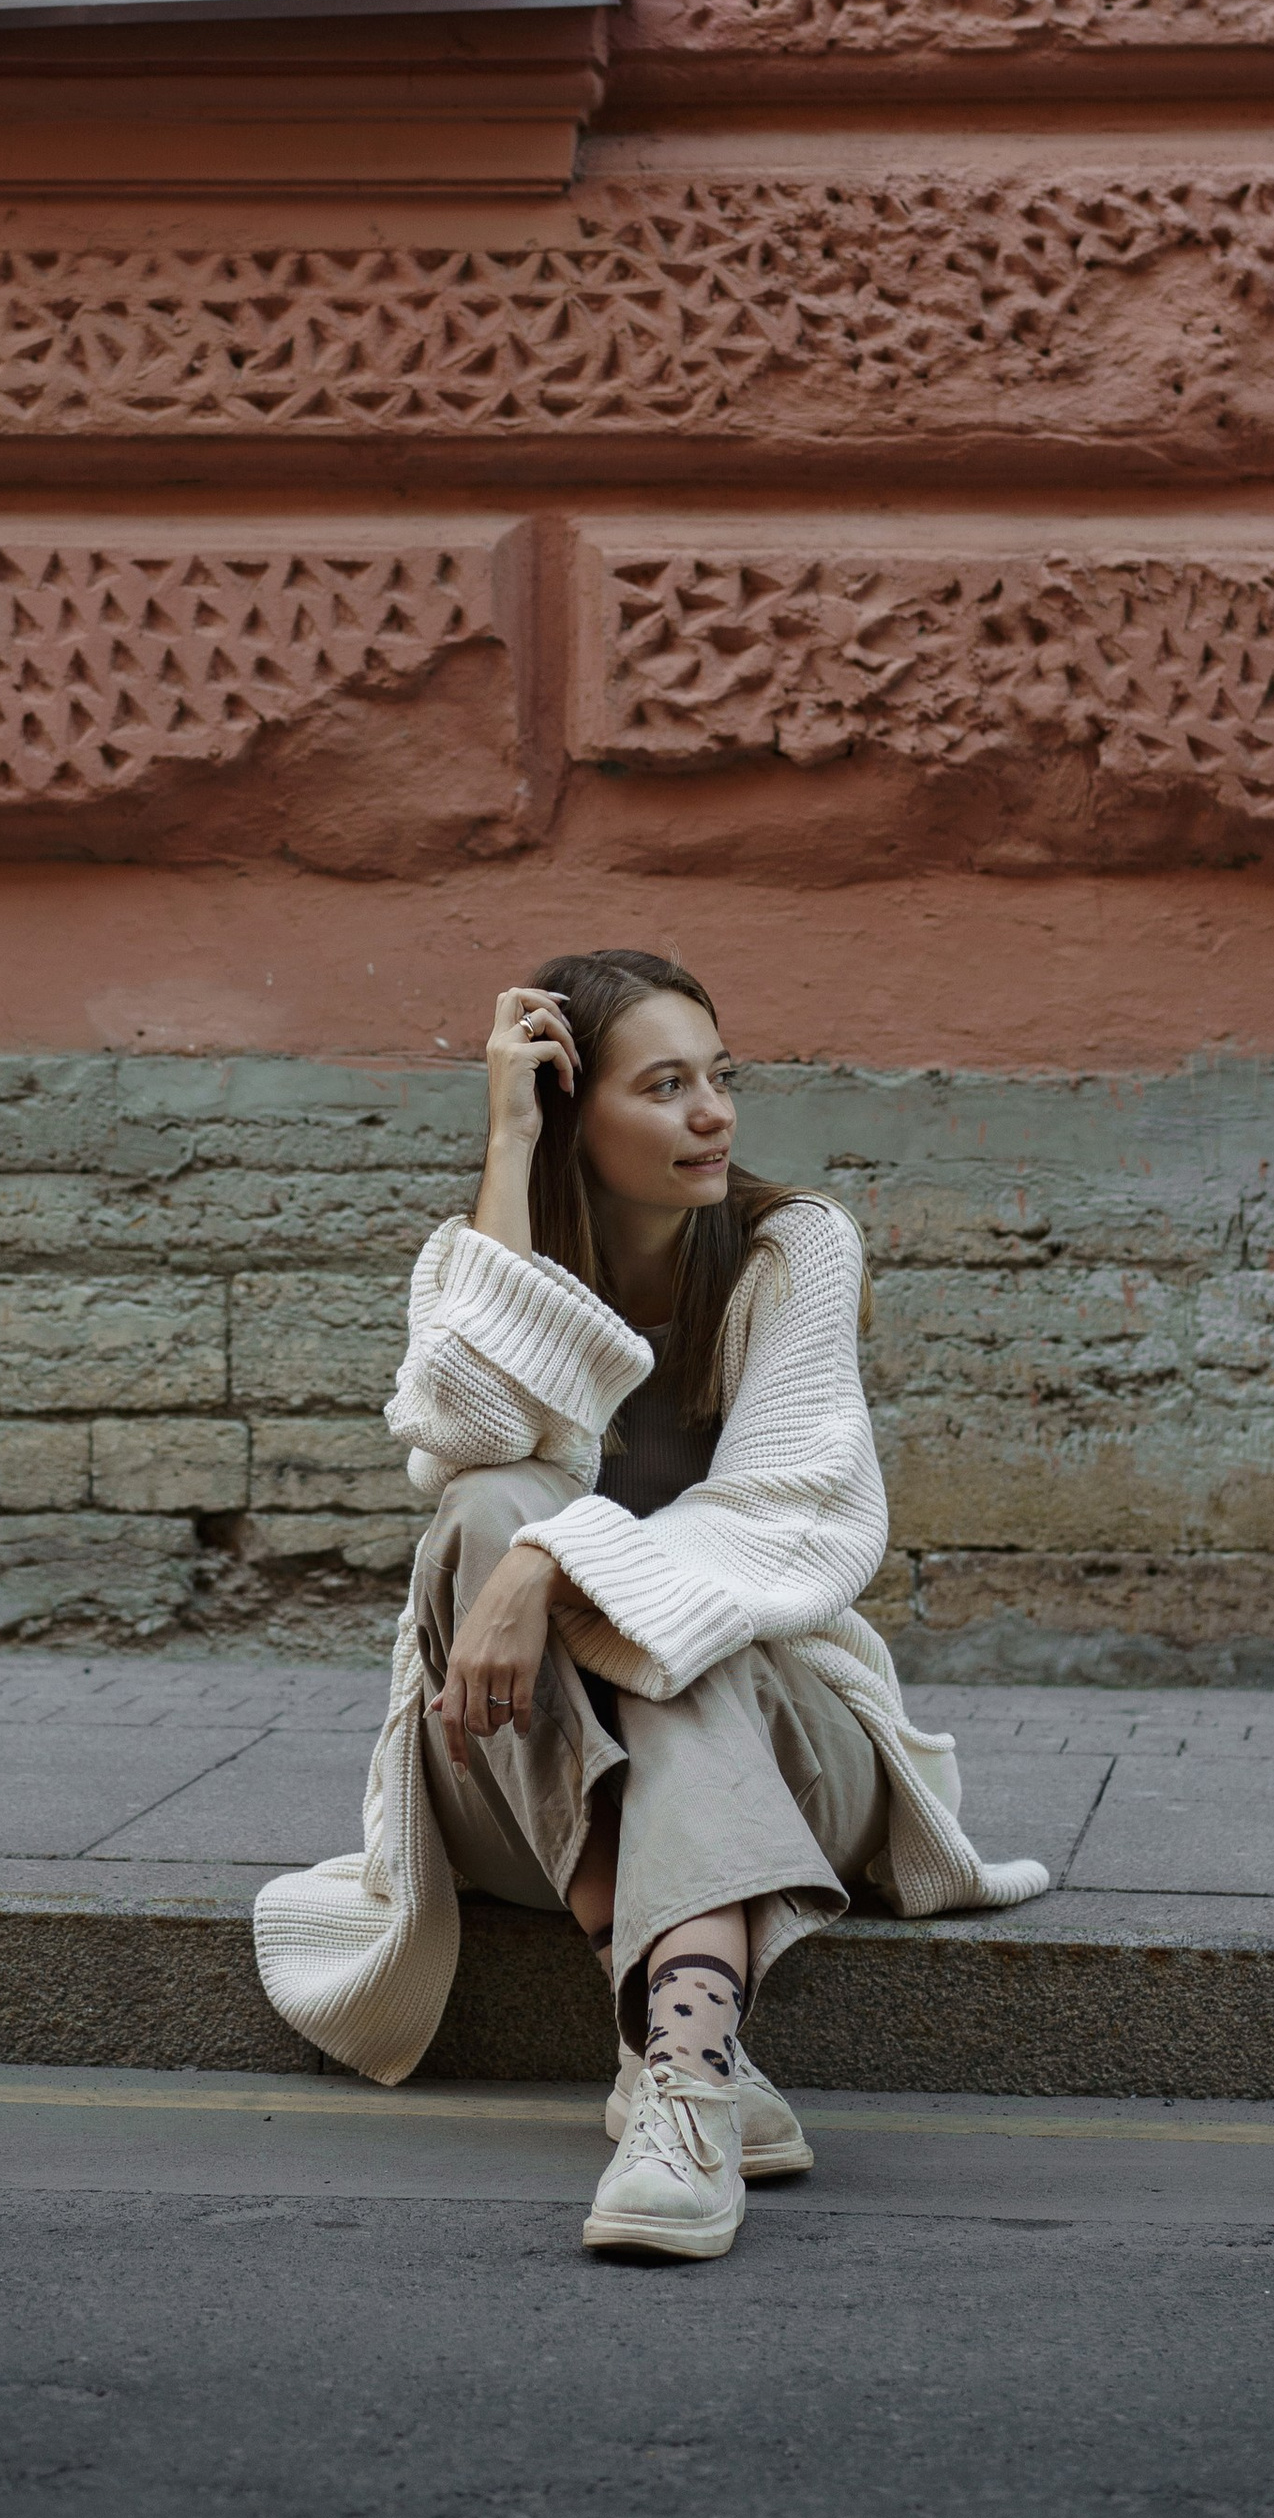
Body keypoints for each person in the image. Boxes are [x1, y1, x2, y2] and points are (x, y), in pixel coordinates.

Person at [251, 947, 1051, 2262]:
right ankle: (705, 2069)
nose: (714, 1115)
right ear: (580, 1117)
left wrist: (553, 1569)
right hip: (522, 1775)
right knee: (483, 1503)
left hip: (796, 1758)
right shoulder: (480, 1260)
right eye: (666, 1086)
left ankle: (678, 2072)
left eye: (721, 1080)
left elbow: (787, 1518)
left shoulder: (792, 1250)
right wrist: (508, 1148)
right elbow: (466, 1437)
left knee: (676, 1640)